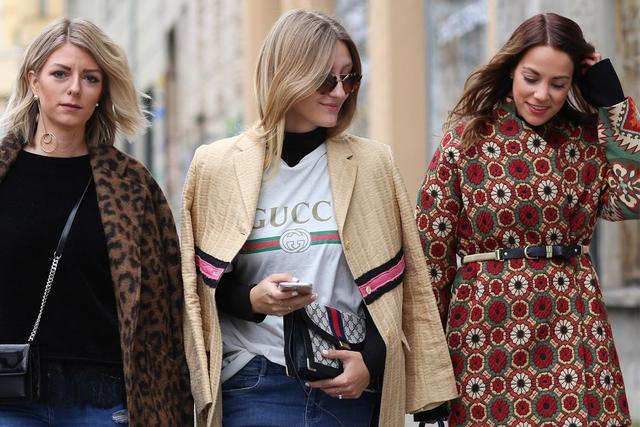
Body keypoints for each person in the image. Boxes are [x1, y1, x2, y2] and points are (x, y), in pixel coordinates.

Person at [181, 9, 457, 427]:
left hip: (347, 388)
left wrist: (369, 362)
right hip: (255, 383)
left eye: (350, 78)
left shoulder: (372, 164)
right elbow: (195, 290)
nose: (340, 92)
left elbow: (401, 290)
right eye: (326, 80)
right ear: (287, 75)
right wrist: (254, 299)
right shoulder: (216, 165)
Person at [416, 12, 638, 427]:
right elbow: (430, 257)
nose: (542, 95)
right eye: (531, 78)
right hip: (487, 334)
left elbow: (632, 199)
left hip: (573, 323)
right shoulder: (466, 140)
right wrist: (427, 370)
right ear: (511, 70)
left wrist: (613, 105)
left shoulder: (585, 140)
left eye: (558, 84)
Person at [0, 18, 193, 426]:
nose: (74, 88)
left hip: (103, 399)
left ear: (102, 93)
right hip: (9, 396)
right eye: (60, 74)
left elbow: (166, 305)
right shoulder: (4, 172)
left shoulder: (132, 185)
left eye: (90, 78)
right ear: (34, 81)